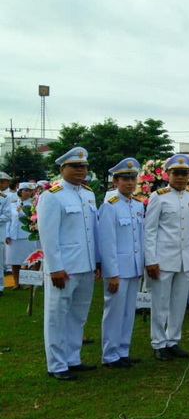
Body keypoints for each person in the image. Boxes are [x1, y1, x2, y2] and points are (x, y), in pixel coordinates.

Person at [37, 147, 100, 381]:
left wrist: (97, 261)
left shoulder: (88, 194)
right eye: (75, 166)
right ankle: (56, 364)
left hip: (86, 265)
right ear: (62, 168)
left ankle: (73, 358)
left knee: (78, 315)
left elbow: (92, 232)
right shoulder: (52, 196)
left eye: (83, 166)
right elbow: (48, 235)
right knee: (56, 316)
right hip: (64, 268)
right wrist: (55, 267)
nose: (80, 170)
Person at [144, 153, 189, 361]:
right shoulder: (159, 197)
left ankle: (173, 340)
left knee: (178, 303)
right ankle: (159, 343)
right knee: (160, 303)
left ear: (188, 176)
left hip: (185, 259)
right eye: (176, 173)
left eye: (183, 174)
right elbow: (150, 231)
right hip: (163, 259)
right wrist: (151, 260)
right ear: (168, 174)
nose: (180, 177)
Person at [97, 158, 145, 368]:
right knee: (114, 312)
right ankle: (110, 354)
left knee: (128, 312)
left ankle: (123, 350)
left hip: (133, 267)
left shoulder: (137, 205)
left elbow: (139, 239)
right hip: (118, 270)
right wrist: (112, 273)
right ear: (115, 182)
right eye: (125, 179)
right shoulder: (110, 207)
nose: (130, 183)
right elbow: (107, 243)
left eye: (133, 178)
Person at [6, 182, 39, 289]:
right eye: (25, 190)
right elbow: (9, 219)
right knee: (14, 260)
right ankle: (16, 282)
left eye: (30, 191)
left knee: (29, 260)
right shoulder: (13, 203)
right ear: (20, 191)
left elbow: (34, 218)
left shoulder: (34, 204)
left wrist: (22, 212)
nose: (28, 193)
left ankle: (29, 282)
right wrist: (7, 234)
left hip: (27, 235)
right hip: (14, 235)